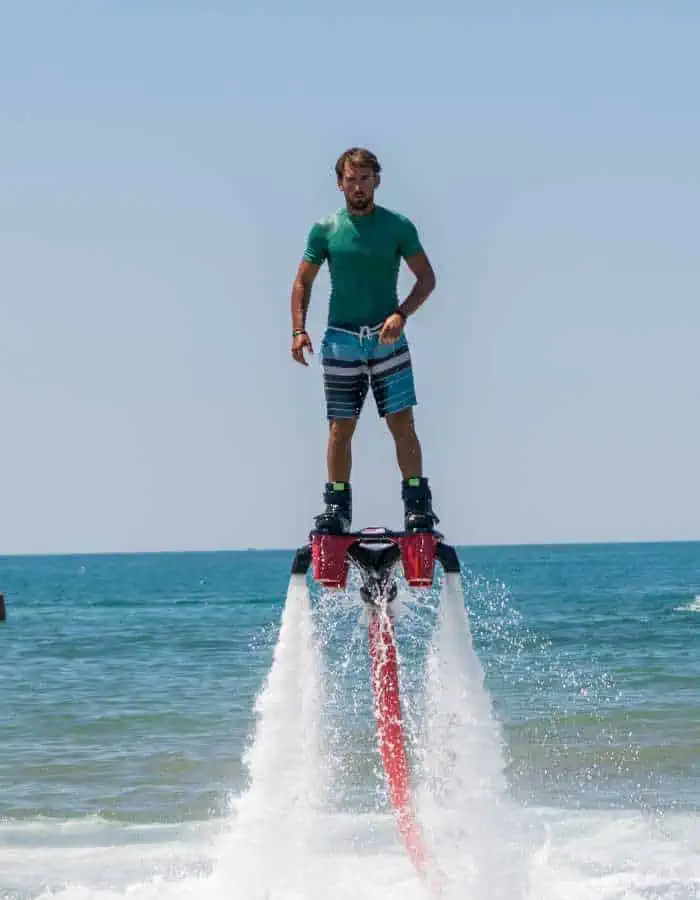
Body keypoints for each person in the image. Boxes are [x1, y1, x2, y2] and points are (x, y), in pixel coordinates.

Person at [290, 147, 439, 535]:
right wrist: (298, 329)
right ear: (340, 183)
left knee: (401, 423)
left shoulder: (398, 227)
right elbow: (302, 281)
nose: (358, 186)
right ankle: (337, 505)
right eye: (351, 180)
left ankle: (417, 506)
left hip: (386, 338)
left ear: (377, 180)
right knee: (340, 428)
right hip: (341, 340)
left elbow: (427, 279)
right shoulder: (325, 229)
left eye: (365, 178)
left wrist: (401, 314)